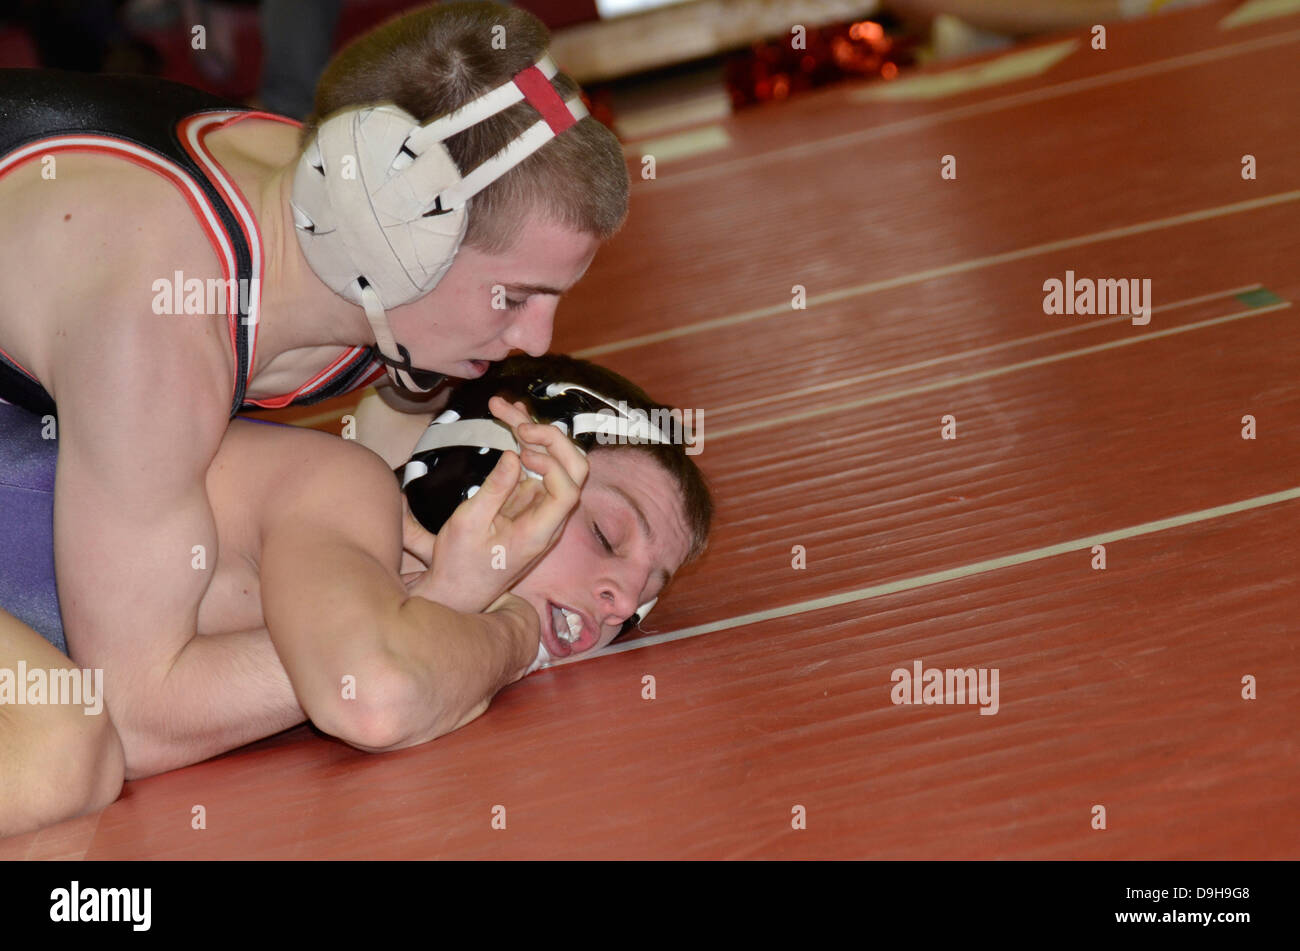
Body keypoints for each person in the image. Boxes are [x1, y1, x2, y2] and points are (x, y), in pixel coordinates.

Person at [0, 3, 628, 783]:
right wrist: (443, 612)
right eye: (514, 297)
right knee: (68, 756)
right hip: (102, 345)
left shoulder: (357, 229)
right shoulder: (157, 327)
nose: (537, 339)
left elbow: (387, 434)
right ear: (394, 240)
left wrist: (387, 599)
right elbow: (139, 713)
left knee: (279, 551)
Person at [0, 354, 712, 838]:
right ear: (496, 466)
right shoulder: (338, 486)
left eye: (646, 597)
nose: (620, 603)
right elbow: (367, 694)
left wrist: (431, 610)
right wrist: (500, 627)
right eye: (609, 535)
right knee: (61, 750)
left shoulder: (369, 585)